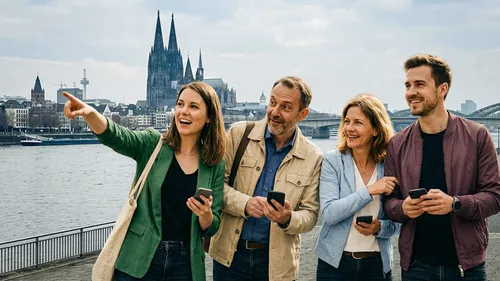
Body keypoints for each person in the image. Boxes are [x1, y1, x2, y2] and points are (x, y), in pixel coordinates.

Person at [63, 81, 227, 281]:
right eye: (181, 104)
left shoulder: (214, 164)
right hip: (139, 257)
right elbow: (117, 136)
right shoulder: (152, 144)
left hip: (185, 265)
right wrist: (90, 113)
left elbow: (212, 226)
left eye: (193, 107)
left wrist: (206, 213)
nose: (184, 111)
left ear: (209, 116)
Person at [383, 54, 500, 280]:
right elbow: (389, 203)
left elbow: (495, 197)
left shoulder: (477, 136)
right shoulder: (397, 144)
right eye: (408, 85)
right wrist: (403, 208)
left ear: (442, 89)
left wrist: (455, 204)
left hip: (466, 265)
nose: (410, 92)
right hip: (416, 265)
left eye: (420, 84)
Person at [208, 76, 323, 281]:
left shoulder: (313, 156)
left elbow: (311, 215)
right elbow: (215, 187)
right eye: (272, 103)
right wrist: (245, 204)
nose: (275, 112)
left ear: (302, 114)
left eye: (286, 107)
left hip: (277, 264)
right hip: (230, 257)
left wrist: (288, 218)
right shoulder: (238, 134)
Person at [314, 94, 400, 281]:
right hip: (334, 266)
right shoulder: (332, 161)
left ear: (376, 129)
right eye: (347, 121)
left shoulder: (390, 166)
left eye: (358, 123)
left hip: (377, 266)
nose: (349, 128)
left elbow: (400, 223)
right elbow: (329, 213)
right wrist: (369, 191)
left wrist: (380, 228)